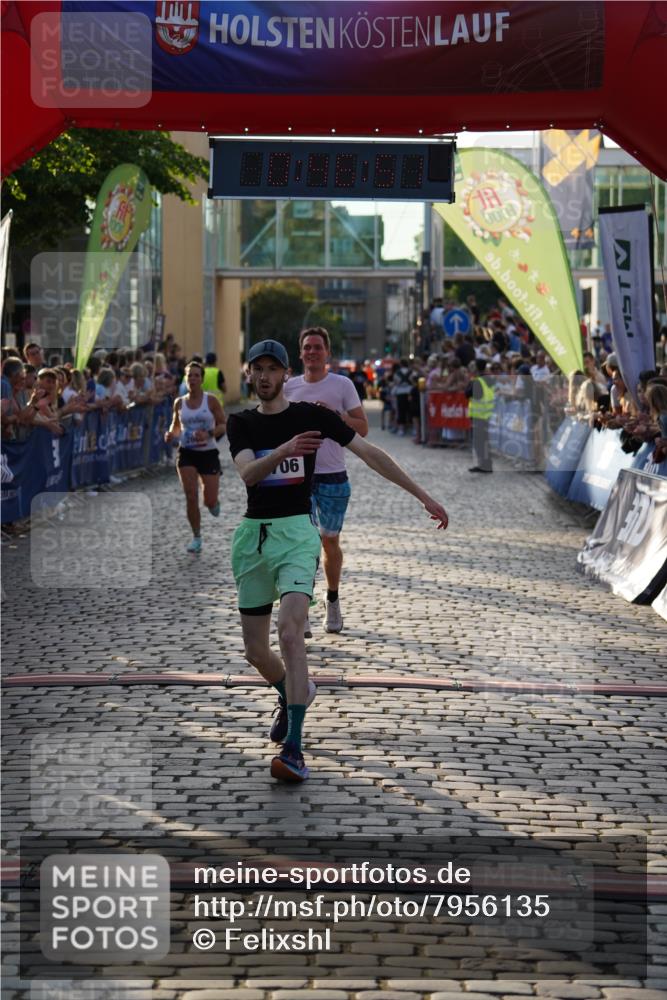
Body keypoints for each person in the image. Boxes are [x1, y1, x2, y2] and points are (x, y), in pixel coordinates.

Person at [226, 339, 448, 783]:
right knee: (255, 650)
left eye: (273, 368)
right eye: (258, 369)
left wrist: (423, 495)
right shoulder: (241, 423)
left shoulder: (312, 415)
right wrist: (286, 450)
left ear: (284, 374)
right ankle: (295, 692)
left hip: (296, 534)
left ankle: (294, 750)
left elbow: (369, 453)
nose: (265, 376)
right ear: (250, 375)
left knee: (291, 633)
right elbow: (248, 474)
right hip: (252, 538)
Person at [284, 327, 369, 635]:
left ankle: (332, 598)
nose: (312, 352)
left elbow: (363, 428)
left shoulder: (341, 384)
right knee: (302, 545)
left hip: (333, 475)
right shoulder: (289, 387)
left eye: (318, 347)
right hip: (298, 476)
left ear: (327, 353)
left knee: (328, 541)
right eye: (307, 347)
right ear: (301, 353)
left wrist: (336, 416)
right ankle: (302, 608)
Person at [165, 360, 227, 553]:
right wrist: (170, 435)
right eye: (189, 375)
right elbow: (175, 427)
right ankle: (196, 536)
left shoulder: (211, 401)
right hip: (186, 453)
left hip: (208, 453)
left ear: (201, 379)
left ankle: (213, 502)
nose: (192, 378)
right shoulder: (179, 403)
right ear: (185, 378)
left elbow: (223, 425)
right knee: (191, 496)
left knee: (208, 501)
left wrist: (208, 433)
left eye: (196, 375)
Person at [465, 358, 495, 473]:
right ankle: (486, 464)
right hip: (487, 414)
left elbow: (467, 394)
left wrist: (471, 380)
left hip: (479, 415)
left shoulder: (477, 381)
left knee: (479, 443)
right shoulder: (489, 379)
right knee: (485, 441)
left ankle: (483, 465)